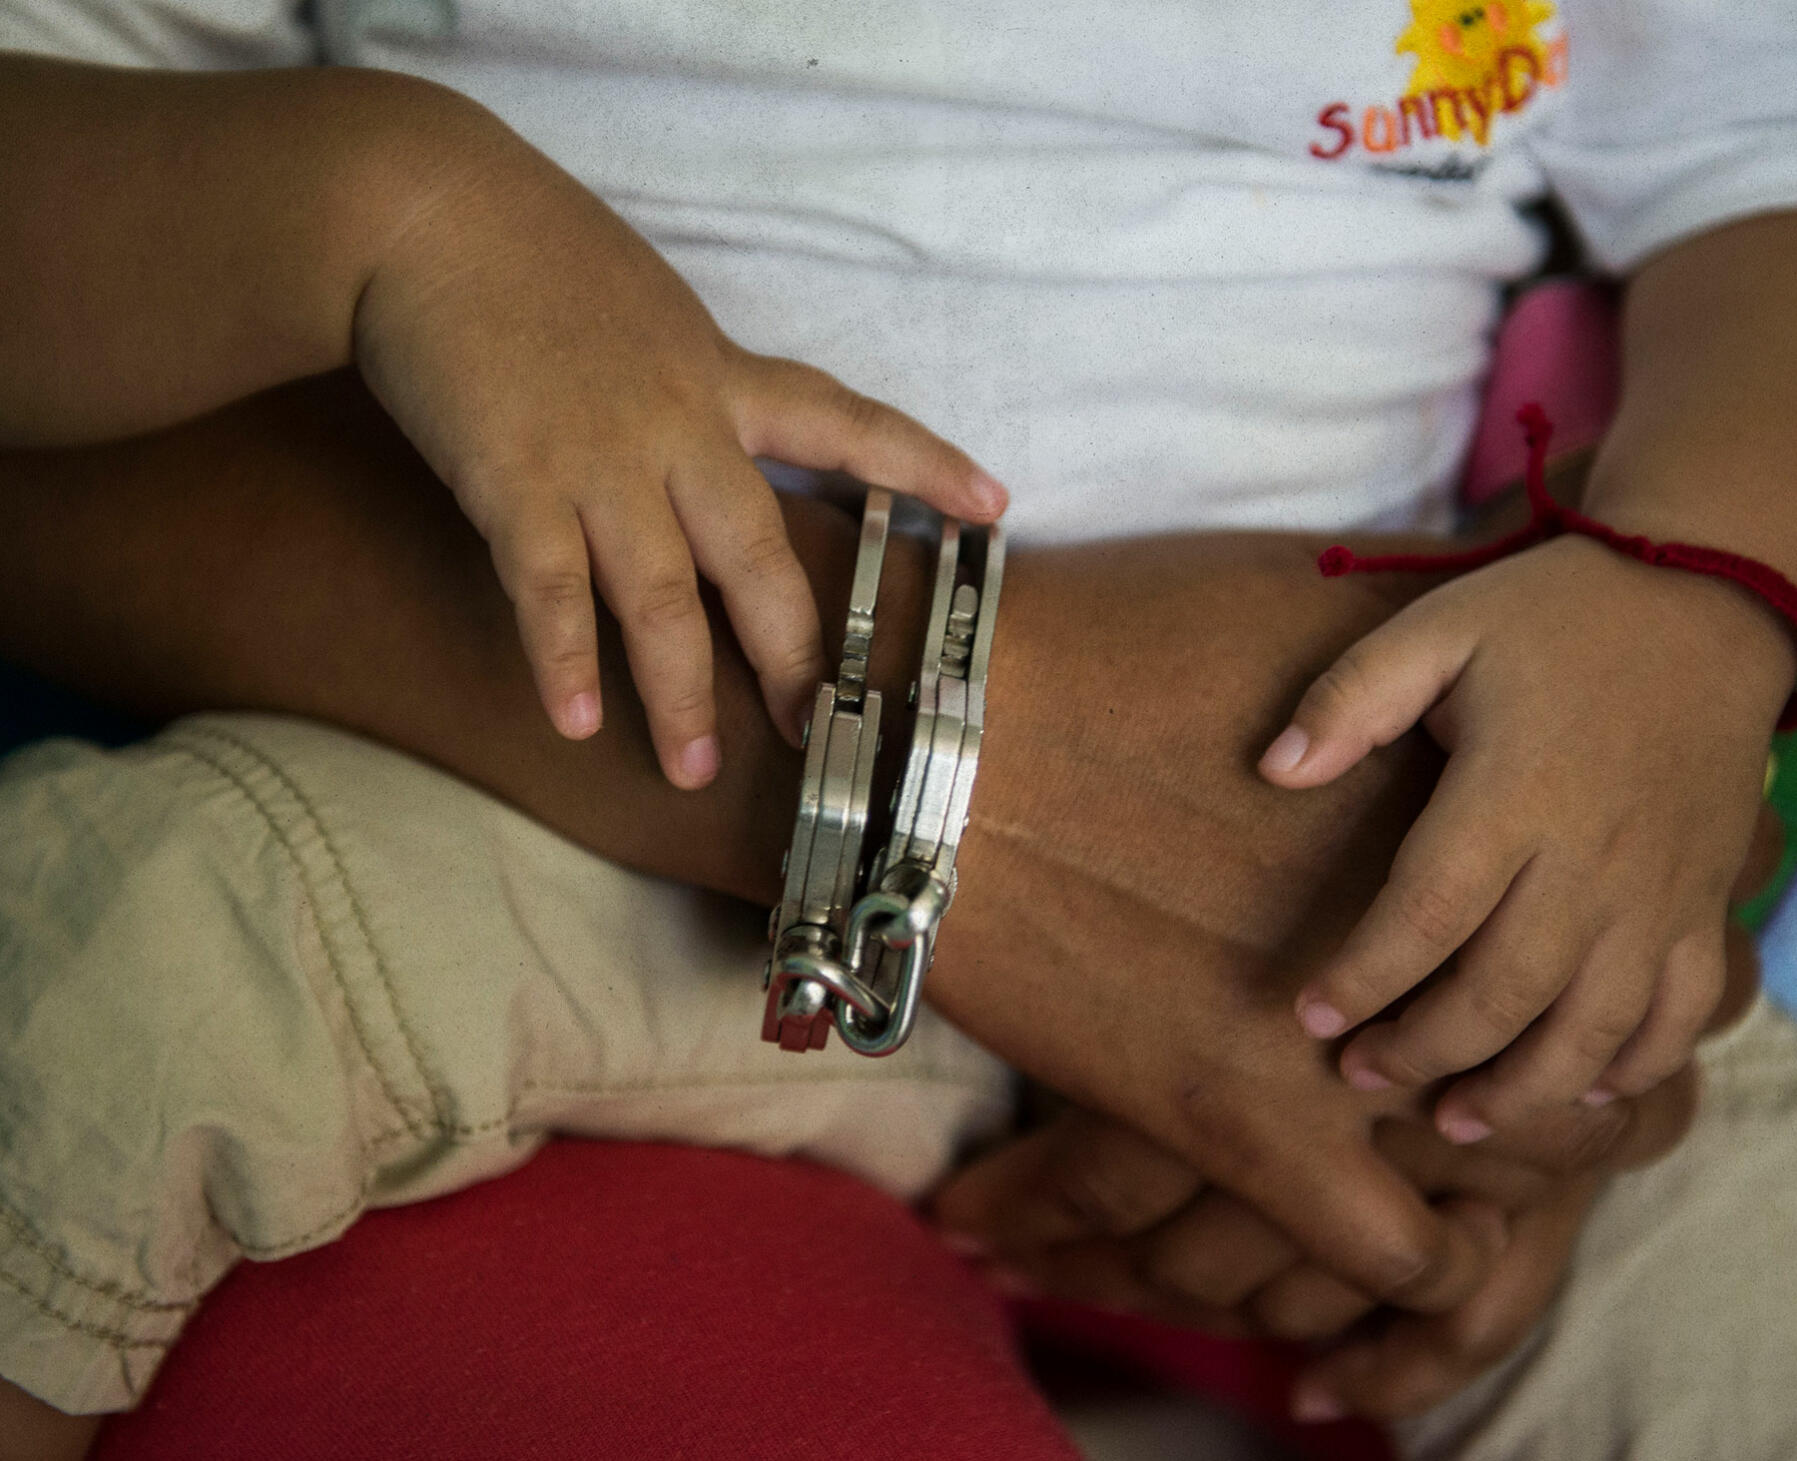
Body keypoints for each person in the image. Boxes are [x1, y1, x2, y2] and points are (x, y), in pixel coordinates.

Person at [1, 0, 1796, 1450]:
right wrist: (389, 208)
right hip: (563, 809)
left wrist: (1693, 596)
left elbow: (1752, 175)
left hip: (1365, 868)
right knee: (145, 962)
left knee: (1736, 1275)